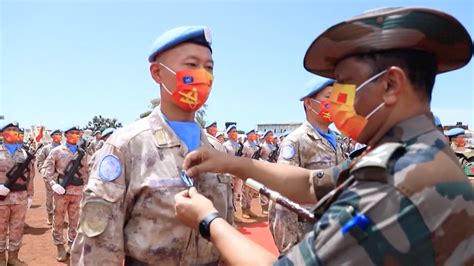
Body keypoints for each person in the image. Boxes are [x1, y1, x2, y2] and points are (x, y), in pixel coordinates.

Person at [174, 7, 474, 265]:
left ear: (391, 85)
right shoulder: (414, 151)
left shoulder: (394, 182)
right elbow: (308, 183)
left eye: (345, 83)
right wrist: (231, 163)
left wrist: (208, 220)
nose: (338, 99)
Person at [71, 26, 233, 265]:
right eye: (191, 64)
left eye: (209, 68)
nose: (203, 75)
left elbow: (228, 230)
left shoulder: (219, 151)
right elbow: (98, 243)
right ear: (158, 73)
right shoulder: (126, 145)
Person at [269, 77, 347, 254]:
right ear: (309, 103)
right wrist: (289, 248)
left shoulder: (339, 141)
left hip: (334, 231)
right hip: (306, 236)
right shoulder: (296, 141)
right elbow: (283, 195)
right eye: (329, 97)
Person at [41, 126, 89, 261]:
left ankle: (72, 244)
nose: (75, 135)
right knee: (59, 220)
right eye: (72, 133)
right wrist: (53, 184)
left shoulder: (83, 154)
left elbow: (86, 172)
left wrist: (86, 187)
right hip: (61, 191)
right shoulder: (57, 151)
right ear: (65, 135)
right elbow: (46, 169)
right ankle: (59, 246)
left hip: (78, 191)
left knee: (76, 220)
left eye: (77, 133)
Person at [0, 122, 35, 266]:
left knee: (17, 228)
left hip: (20, 197)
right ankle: (1, 258)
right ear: (2, 134)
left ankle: (13, 258)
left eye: (16, 130)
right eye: (10, 130)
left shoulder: (25, 154)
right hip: (1, 198)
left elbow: (30, 176)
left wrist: (30, 195)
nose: (13, 132)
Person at [36, 129, 62, 225]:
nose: (58, 136)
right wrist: (43, 172)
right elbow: (40, 161)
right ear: (52, 136)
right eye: (56, 134)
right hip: (50, 177)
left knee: (62, 198)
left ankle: (59, 216)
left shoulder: (64, 148)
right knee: (50, 197)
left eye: (60, 134)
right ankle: (50, 215)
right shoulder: (46, 149)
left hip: (62, 177)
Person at [223, 124, 244, 222]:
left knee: (236, 194)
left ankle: (234, 214)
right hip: (229, 173)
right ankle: (228, 215)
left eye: (236, 131)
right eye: (233, 131)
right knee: (229, 194)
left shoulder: (239, 145)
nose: (235, 133)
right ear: (228, 134)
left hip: (238, 172)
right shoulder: (225, 145)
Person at [241, 129, 260, 219]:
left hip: (254, 170)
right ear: (248, 136)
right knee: (245, 191)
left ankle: (249, 208)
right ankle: (244, 210)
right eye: (252, 134)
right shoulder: (245, 145)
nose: (254, 136)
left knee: (251, 191)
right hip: (246, 169)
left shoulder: (255, 145)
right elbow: (241, 157)